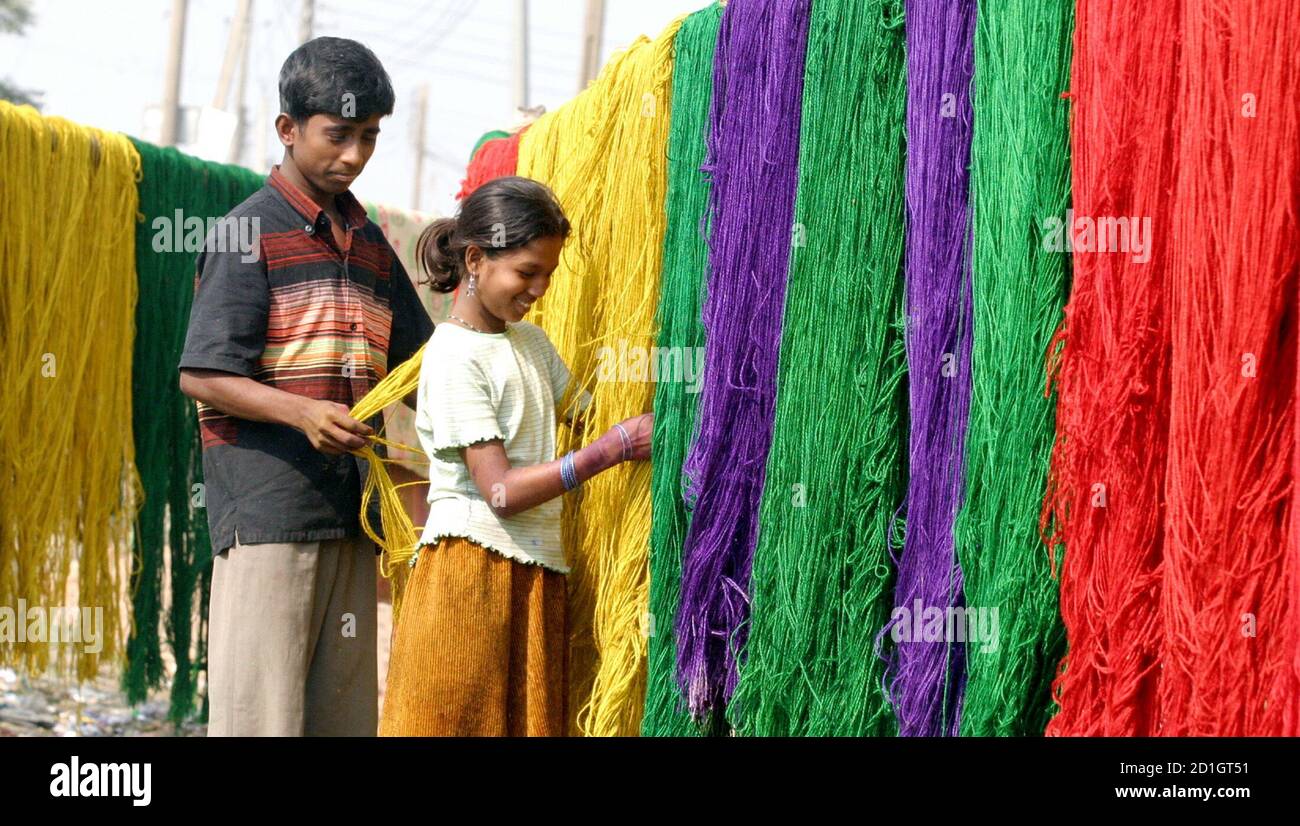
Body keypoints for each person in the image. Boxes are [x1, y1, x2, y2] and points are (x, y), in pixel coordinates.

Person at [178, 37, 433, 736]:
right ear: (288, 130)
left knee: (340, 720)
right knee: (263, 719)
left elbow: (421, 371)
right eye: (338, 135)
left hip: (352, 514)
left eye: (370, 137)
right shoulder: (245, 234)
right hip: (268, 517)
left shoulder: (372, 244)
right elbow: (200, 374)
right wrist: (302, 413)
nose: (354, 155)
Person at [379, 175, 653, 736]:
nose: (539, 289)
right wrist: (611, 450)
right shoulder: (453, 357)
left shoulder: (530, 344)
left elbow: (589, 415)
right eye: (527, 272)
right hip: (470, 576)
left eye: (549, 274)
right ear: (475, 259)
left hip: (535, 573)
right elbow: (500, 492)